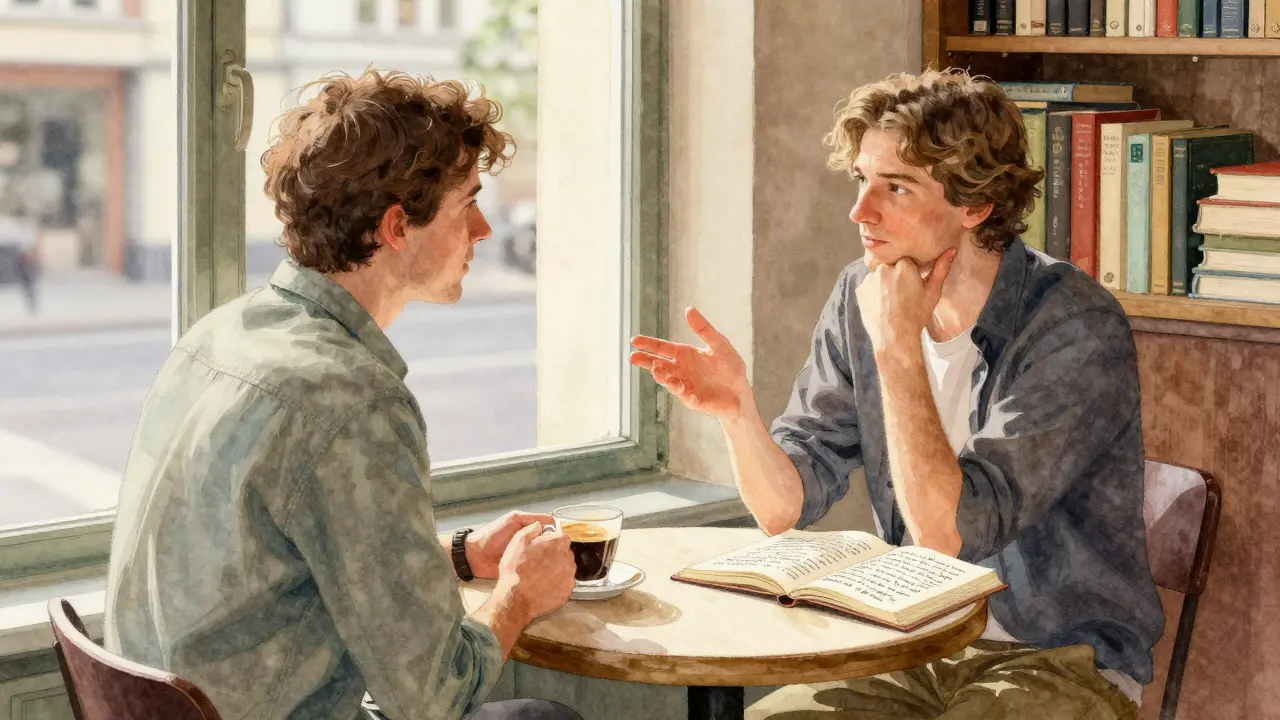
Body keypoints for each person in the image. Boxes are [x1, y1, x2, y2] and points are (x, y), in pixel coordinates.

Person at [630, 68, 1163, 719]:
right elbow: (784, 508)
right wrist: (737, 411)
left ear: (974, 204)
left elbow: (950, 532)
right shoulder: (862, 295)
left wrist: (898, 347)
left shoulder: (1071, 326)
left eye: (896, 187)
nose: (860, 211)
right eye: (861, 180)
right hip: (910, 642)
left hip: (1060, 658)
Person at [103, 69, 583, 720]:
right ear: (395, 227)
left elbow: (283, 567)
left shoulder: (218, 337)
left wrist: (465, 556)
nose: (483, 232)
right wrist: (522, 593)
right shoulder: (350, 401)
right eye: (466, 203)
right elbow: (435, 696)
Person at [0, 190, 39, 315]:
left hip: (10, 269)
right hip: (17, 271)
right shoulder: (21, 228)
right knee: (28, 269)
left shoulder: (12, 226)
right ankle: (32, 306)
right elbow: (29, 247)